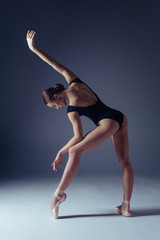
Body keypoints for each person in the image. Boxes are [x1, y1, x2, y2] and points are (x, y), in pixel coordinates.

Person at [26, 30, 134, 219]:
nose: (57, 108)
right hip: (119, 116)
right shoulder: (74, 81)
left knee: (75, 151)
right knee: (124, 162)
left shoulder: (72, 110)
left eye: (54, 105)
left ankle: (58, 195)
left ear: (56, 96)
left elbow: (78, 138)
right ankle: (125, 206)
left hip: (108, 123)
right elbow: (53, 62)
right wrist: (33, 48)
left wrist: (61, 151)